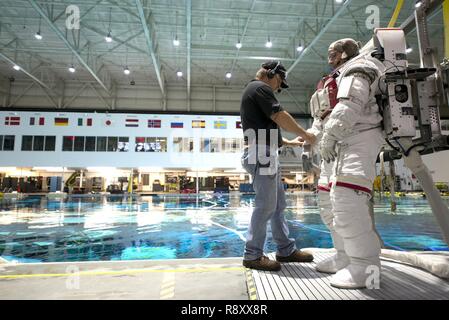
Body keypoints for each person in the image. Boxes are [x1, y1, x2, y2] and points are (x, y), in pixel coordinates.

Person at [314, 38, 386, 289]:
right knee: (327, 201)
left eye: (333, 51)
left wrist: (330, 136)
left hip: (359, 136)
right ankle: (345, 256)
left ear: (345, 53)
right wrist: (315, 140)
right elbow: (322, 115)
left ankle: (365, 265)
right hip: (334, 143)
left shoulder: (360, 67)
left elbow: (349, 105)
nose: (329, 56)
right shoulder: (333, 77)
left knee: (346, 198)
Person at [240, 60, 316, 271]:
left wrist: (293, 142)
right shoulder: (260, 87)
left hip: (265, 151)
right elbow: (279, 116)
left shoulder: (255, 91)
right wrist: (306, 134)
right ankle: (252, 255)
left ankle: (285, 250)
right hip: (261, 154)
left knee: (278, 206)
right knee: (266, 205)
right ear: (271, 73)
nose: (279, 88)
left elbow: (269, 131)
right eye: (280, 82)